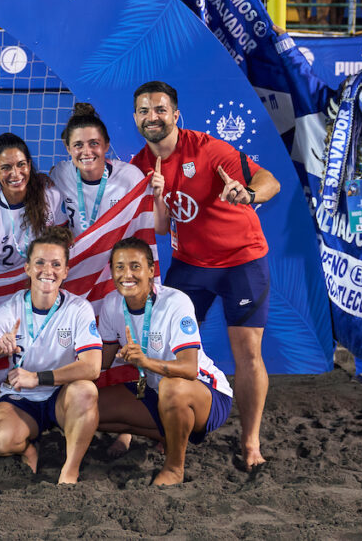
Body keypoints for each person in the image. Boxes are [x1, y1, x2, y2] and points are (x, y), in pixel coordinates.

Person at [130, 80, 279, 471]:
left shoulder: (208, 148)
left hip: (241, 260)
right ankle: (171, 427)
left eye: (160, 110)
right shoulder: (138, 166)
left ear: (175, 115)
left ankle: (250, 444)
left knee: (247, 353)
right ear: (135, 118)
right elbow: (159, 228)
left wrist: (247, 193)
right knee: (163, 346)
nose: (152, 117)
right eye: (144, 111)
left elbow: (270, 182)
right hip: (192, 265)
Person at [0, 226, 102, 484]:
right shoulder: (10, 310)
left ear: (66, 272)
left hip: (60, 395)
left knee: (86, 391)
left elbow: (92, 367)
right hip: (22, 399)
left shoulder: (78, 308)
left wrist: (38, 378)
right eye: (39, 262)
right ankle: (29, 448)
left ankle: (69, 470)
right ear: (27, 268)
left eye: (56, 264)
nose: (47, 271)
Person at [95, 238, 233, 485]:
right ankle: (173, 434)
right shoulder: (111, 304)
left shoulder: (175, 302)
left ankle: (173, 468)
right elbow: (102, 361)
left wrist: (144, 361)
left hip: (206, 393)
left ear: (151, 271)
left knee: (173, 386)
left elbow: (190, 369)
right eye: (119, 267)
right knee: (84, 407)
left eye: (135, 266)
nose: (127, 274)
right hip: (155, 392)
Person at [0, 133, 66, 278]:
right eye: (6, 167)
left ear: (29, 164)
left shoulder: (51, 195)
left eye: (21, 164)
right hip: (3, 288)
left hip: (42, 280)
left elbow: (64, 247)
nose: (15, 174)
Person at [49, 102, 149, 239]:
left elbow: (145, 227)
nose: (86, 152)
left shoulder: (131, 177)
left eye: (94, 143)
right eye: (78, 145)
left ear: (106, 145)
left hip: (119, 257)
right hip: (79, 257)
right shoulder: (60, 174)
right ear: (68, 148)